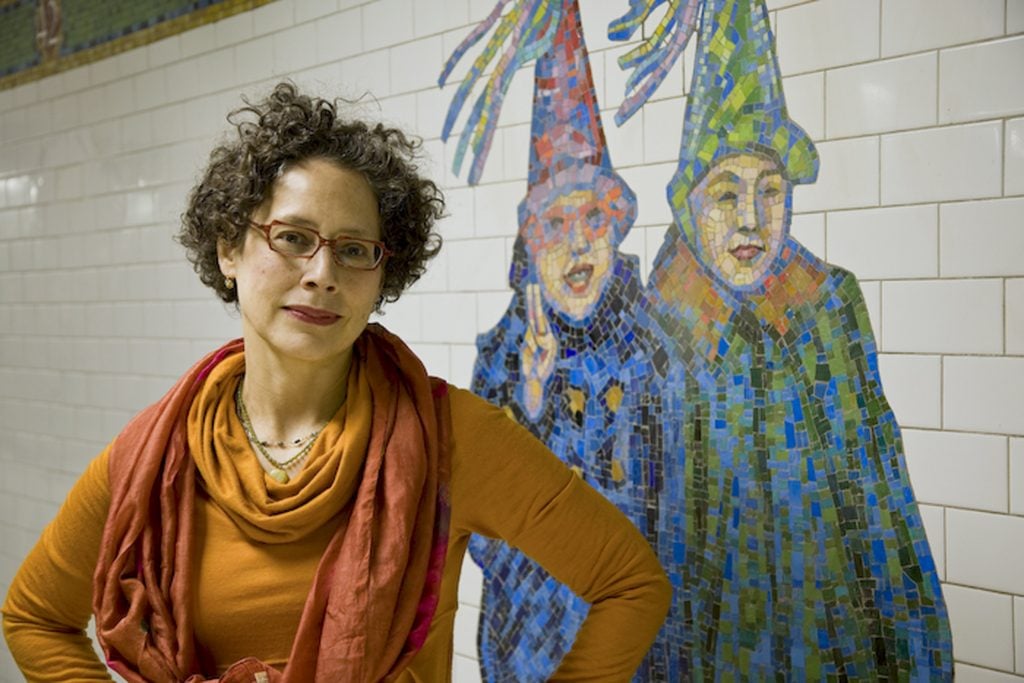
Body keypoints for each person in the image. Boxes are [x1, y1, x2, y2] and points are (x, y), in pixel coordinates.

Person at [2, 81, 671, 683]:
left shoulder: (450, 438)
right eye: (293, 237)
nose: (323, 272)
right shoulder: (154, 454)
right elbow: (32, 616)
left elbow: (630, 583)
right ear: (229, 249)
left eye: (354, 249)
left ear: (383, 275)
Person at [644, 0, 952, 679]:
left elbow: (878, 493)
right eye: (726, 193)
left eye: (771, 190)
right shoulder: (655, 327)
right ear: (688, 204)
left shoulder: (829, 305)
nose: (752, 218)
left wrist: (914, 655)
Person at [463, 1, 666, 680]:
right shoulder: (500, 356)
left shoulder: (654, 349)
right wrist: (529, 394)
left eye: (591, 219)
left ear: (613, 230)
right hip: (526, 649)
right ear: (530, 249)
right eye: (555, 224)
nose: (578, 242)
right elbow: (482, 540)